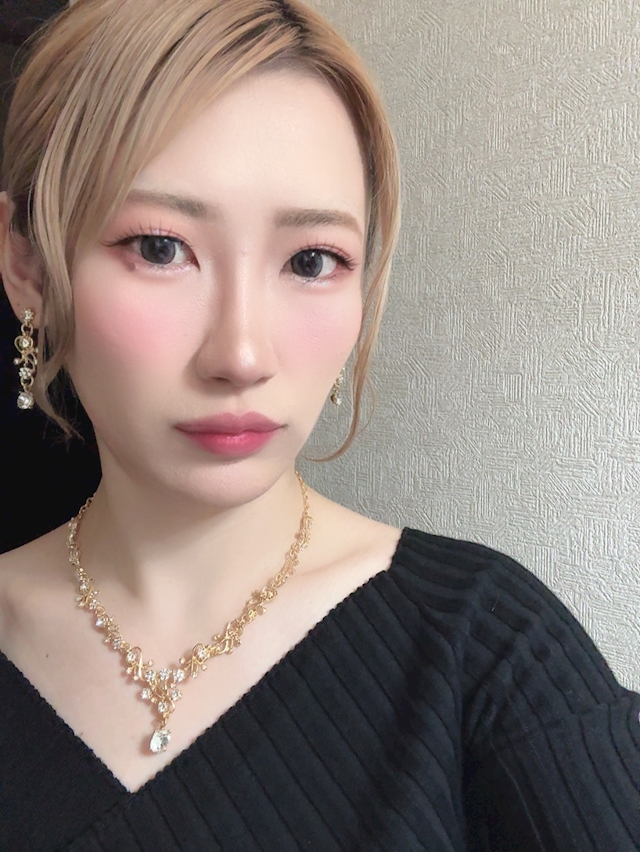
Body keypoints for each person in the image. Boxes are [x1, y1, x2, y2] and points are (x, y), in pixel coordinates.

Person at [0, 0, 637, 849]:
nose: (241, 354)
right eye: (159, 247)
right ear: (27, 265)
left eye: (311, 260)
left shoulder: (490, 654)